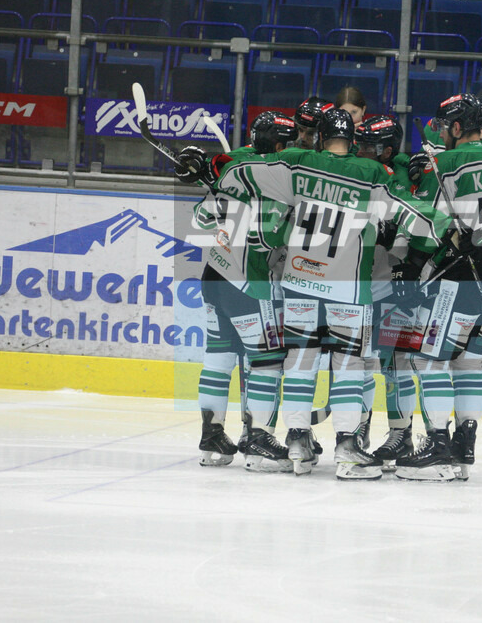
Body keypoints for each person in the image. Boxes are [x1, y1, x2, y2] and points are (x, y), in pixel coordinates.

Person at [221, 108, 448, 479]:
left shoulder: (298, 162)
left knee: (299, 362)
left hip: (298, 284)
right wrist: (441, 230)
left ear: (320, 137)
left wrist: (213, 169)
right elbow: (419, 217)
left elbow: (244, 171)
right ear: (353, 141)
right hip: (347, 289)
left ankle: (297, 442)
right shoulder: (372, 173)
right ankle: (347, 449)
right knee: (348, 367)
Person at [393, 93, 482, 481]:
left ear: (456, 127)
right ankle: (463, 447)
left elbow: (425, 222)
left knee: (431, 359)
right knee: (470, 364)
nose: (439, 132)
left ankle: (437, 445)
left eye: (442, 126)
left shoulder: (445, 163)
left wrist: (411, 266)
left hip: (459, 277)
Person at [176, 111, 297, 471]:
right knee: (267, 361)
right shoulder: (280, 180)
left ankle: (211, 437)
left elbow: (199, 221)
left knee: (218, 359)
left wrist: (220, 196)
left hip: (214, 276)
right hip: (249, 282)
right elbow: (281, 237)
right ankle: (258, 438)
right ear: (278, 145)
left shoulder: (232, 172)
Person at [354, 115, 419, 469]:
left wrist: (395, 239)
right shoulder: (354, 173)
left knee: (396, 363)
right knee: (360, 364)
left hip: (391, 285)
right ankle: (359, 428)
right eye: (359, 143)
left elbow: (416, 228)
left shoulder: (401, 180)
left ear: (388, 150)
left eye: (369, 145)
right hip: (357, 287)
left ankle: (401, 433)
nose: (361, 150)